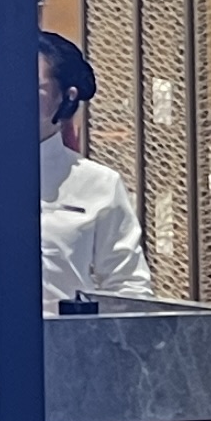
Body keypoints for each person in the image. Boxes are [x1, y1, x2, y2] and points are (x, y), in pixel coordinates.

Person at [35, 32, 149, 302]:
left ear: (67, 96)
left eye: (31, 87)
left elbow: (127, 285)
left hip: (61, 328)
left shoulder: (99, 183)